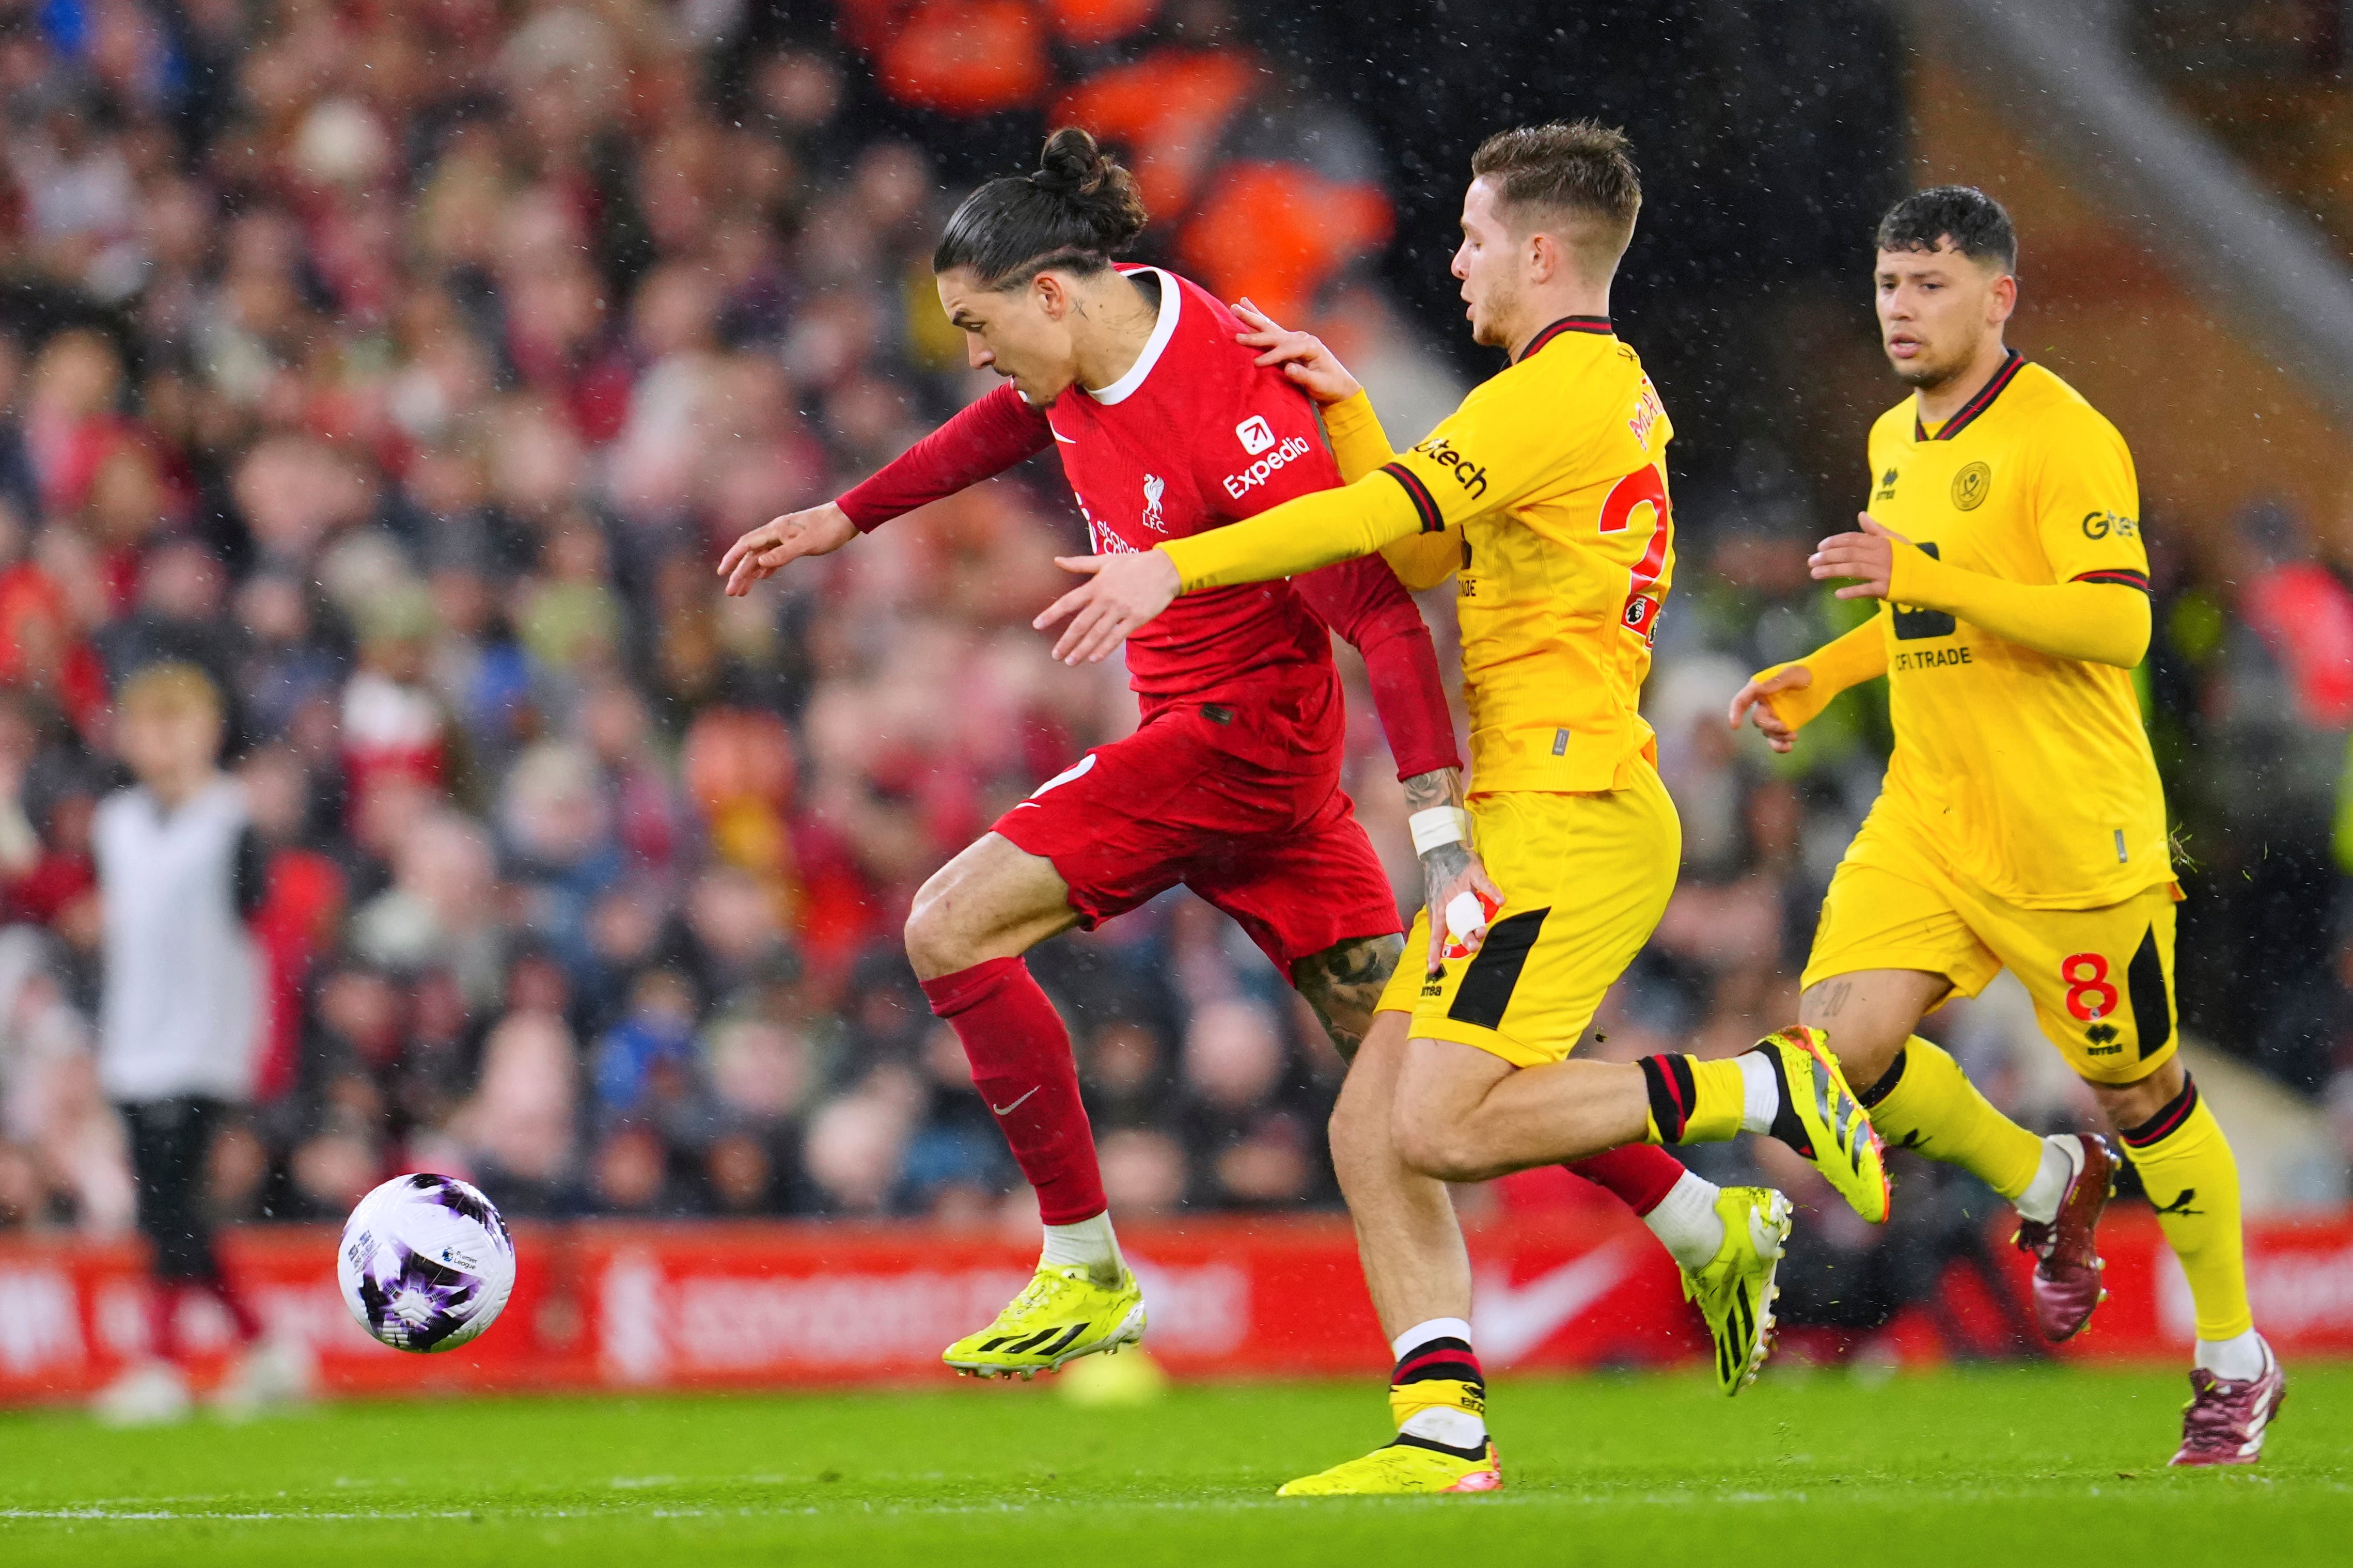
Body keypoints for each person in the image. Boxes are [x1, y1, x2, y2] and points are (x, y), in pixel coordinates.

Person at [719, 130, 1780, 1428]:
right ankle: (1686, 1218)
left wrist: (1440, 830)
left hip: (1233, 746)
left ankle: (1082, 1262)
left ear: (1051, 293)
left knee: (948, 926)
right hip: (1264, 783)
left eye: (977, 323)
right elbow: (1012, 416)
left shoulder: (1235, 402)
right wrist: (849, 515)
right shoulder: (1080, 358)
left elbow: (1387, 613)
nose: (973, 352)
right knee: (1420, 1084)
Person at [1033, 121, 1889, 1494]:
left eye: (1476, 237)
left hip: (1571, 809)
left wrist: (1170, 566)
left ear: (1541, 252)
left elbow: (1361, 529)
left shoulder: (1545, 396)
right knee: (1369, 1124)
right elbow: (1427, 540)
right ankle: (1443, 1427)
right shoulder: (1587, 394)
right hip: (1545, 802)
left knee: (1435, 1123)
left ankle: (1760, 1082)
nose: (1456, 259)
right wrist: (1353, 407)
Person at [1717, 187, 2280, 1467]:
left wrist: (1919, 576)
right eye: (1886, 286)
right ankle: (2045, 1183)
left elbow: (2115, 622)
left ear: (1997, 295)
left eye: (1928, 285)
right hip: (1929, 816)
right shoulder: (1890, 437)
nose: (1900, 310)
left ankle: (2232, 1354)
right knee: (1832, 1054)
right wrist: (1834, 671)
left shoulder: (2062, 435)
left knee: (2140, 1091)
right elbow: (1936, 615)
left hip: (2069, 839)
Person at [88, 663, 312, 1423]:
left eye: (176, 723)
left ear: (207, 731)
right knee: (171, 1212)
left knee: (168, 1206)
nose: (161, 741)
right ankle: (261, 1347)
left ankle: (163, 1362)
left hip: (205, 1038)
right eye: (148, 725)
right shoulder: (115, 822)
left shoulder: (231, 820)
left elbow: (258, 919)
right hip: (133, 1040)